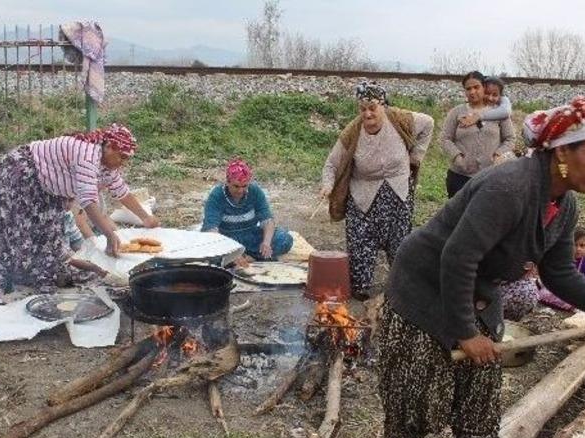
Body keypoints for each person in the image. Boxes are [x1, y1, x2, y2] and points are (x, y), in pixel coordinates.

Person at [373, 97, 585, 438]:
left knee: (480, 387)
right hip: (425, 285)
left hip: (477, 289)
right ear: (563, 152)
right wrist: (466, 333)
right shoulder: (509, 188)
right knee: (418, 383)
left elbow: (560, 274)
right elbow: (457, 258)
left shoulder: (563, 206)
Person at [0, 123, 158, 304]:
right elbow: (88, 200)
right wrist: (109, 233)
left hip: (47, 186)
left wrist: (146, 218)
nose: (122, 163)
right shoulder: (88, 155)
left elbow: (121, 191)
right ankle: (3, 284)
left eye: (126, 159)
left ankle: (41, 278)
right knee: (18, 230)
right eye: (121, 157)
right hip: (23, 172)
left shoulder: (107, 166)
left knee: (49, 234)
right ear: (109, 147)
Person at [320, 81, 434, 300]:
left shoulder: (400, 119)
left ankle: (401, 289)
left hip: (397, 192)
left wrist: (416, 156)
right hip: (363, 195)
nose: (368, 114)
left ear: (383, 105)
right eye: (363, 109)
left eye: (372, 108)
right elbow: (331, 164)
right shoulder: (353, 131)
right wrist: (327, 185)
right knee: (360, 242)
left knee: (399, 243)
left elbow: (429, 123)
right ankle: (360, 288)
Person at [201, 157, 293, 264]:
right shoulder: (216, 195)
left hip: (250, 235)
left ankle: (246, 257)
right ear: (228, 182)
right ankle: (246, 257)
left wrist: (266, 243)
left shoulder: (255, 191)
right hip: (226, 238)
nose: (240, 191)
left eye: (244, 186)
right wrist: (229, 252)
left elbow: (267, 220)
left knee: (284, 239)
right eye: (236, 186)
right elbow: (211, 229)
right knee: (208, 250)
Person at [441, 71, 516, 198]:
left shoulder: (499, 113)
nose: (472, 92)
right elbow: (445, 139)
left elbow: (510, 139)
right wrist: (457, 157)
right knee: (458, 210)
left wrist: (498, 155)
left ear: (484, 87)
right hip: (459, 176)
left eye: (476, 87)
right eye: (468, 89)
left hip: (489, 177)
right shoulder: (457, 112)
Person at [538, 226, 585, 311]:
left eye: (582, 245)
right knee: (545, 290)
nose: (578, 249)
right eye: (575, 245)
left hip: (577, 290)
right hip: (559, 287)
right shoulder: (564, 257)